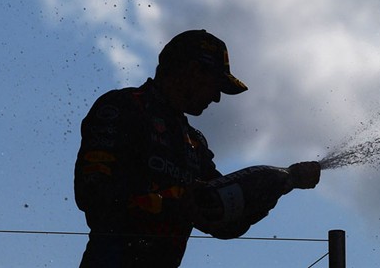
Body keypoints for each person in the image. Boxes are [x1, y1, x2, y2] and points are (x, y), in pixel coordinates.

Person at [74, 29, 321, 267]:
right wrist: (173, 202)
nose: (217, 98)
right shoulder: (123, 107)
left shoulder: (193, 142)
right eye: (216, 85)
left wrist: (283, 183)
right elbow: (93, 192)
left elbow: (224, 220)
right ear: (193, 71)